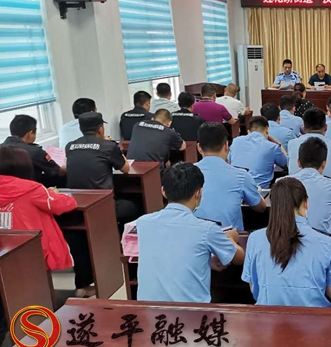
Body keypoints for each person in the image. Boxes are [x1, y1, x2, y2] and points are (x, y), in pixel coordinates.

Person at [136, 163, 245, 303]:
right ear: (199, 193)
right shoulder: (207, 229)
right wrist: (230, 238)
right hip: (191, 313)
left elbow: (170, 253)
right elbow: (239, 258)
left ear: (163, 191)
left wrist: (206, 261)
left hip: (147, 310)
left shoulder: (143, 223)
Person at [242, 177, 331, 307]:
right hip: (314, 318)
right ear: (306, 203)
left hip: (268, 317)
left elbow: (254, 290)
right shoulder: (325, 242)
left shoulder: (255, 239)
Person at [66, 112, 140, 293]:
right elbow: (126, 169)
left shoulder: (70, 146)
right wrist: (114, 146)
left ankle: (82, 284)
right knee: (134, 207)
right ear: (101, 129)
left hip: (77, 206)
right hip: (102, 205)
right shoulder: (107, 146)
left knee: (80, 240)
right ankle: (122, 249)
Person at [0, 146, 76, 274]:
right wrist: (53, 194)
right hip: (32, 247)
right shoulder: (31, 189)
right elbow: (64, 205)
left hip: (4, 247)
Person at [194, 123, 266, 231]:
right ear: (226, 145)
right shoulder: (241, 175)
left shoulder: (186, 174)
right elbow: (261, 207)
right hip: (229, 239)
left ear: (199, 147)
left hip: (195, 237)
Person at [286, 138, 331, 235]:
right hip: (322, 240)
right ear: (324, 163)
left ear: (298, 162)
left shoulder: (280, 183)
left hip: (285, 240)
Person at [2, 115, 65, 187]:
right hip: (29, 188)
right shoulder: (34, 151)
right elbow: (57, 171)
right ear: (30, 133)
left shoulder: (2, 148)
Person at [228, 116, 287, 189]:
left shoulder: (236, 141)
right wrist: (278, 144)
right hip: (259, 191)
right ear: (267, 130)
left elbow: (229, 163)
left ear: (248, 131)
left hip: (235, 188)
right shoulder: (272, 147)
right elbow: (287, 164)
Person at [287, 108, 331, 179]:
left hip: (294, 185)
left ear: (304, 128)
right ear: (326, 127)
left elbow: (289, 165)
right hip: (327, 185)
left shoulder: (292, 144)